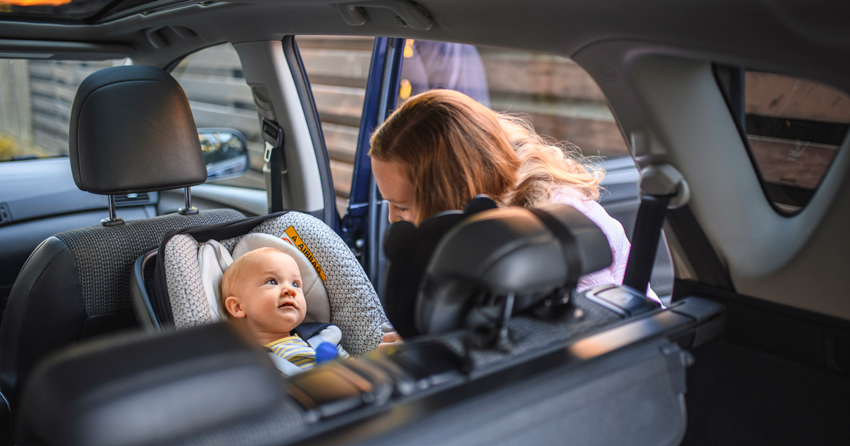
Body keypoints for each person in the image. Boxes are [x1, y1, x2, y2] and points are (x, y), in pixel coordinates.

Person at [370, 89, 655, 345]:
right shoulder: (471, 225)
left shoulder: (547, 230)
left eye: (403, 206)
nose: (393, 218)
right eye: (388, 204)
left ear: (450, 192)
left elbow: (585, 335)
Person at [221, 247, 349, 371]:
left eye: (295, 284)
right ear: (238, 307)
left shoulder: (323, 336)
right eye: (272, 282)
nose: (290, 290)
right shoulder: (246, 365)